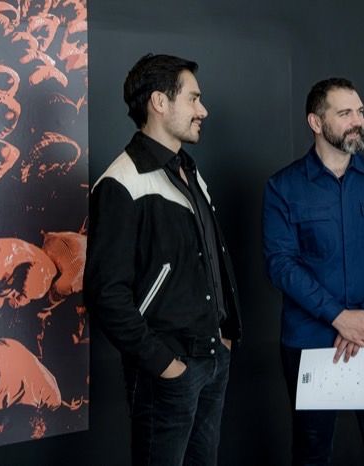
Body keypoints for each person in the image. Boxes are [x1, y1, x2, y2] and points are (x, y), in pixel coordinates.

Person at [84, 54, 241, 466]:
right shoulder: (121, 183)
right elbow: (105, 294)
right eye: (193, 99)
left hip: (212, 358)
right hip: (168, 374)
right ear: (159, 101)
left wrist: (224, 336)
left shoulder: (188, 171)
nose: (203, 111)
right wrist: (166, 365)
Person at [263, 77, 364, 465]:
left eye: (359, 111)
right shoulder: (283, 187)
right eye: (345, 113)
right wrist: (338, 317)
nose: (357, 121)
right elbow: (280, 264)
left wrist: (363, 319)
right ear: (316, 122)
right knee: (311, 452)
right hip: (310, 341)